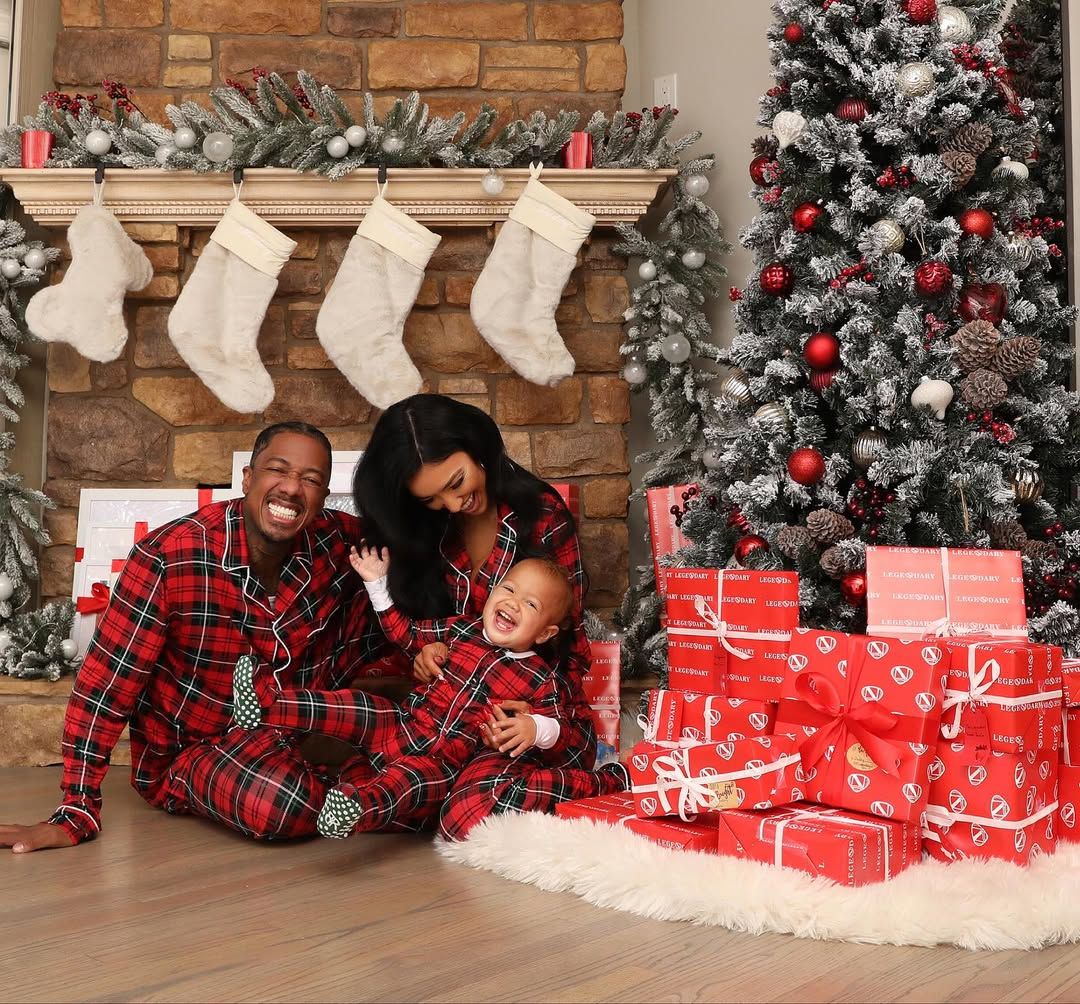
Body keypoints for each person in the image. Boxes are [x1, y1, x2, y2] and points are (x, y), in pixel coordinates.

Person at [0, 422, 399, 853]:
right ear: (248, 478)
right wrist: (77, 809)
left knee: (426, 737)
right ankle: (375, 795)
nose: (292, 488)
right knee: (279, 805)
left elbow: (416, 551)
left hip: (297, 729)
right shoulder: (169, 557)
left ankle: (365, 790)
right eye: (277, 470)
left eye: (312, 480)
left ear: (323, 496)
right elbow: (105, 687)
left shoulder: (341, 542)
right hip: (197, 749)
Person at [351, 394, 627, 839]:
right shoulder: (429, 530)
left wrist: (535, 718)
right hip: (449, 718)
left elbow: (569, 650)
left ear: (477, 446)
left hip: (521, 718)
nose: (453, 503)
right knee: (380, 783)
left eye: (456, 482)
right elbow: (422, 631)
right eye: (433, 498)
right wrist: (425, 656)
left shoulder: (542, 517)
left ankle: (603, 783)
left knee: (463, 811)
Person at [236, 547, 580, 838]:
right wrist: (376, 584)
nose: (514, 603)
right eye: (508, 589)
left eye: (531, 604)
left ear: (545, 633)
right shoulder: (460, 630)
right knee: (358, 707)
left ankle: (355, 808)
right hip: (403, 725)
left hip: (442, 763)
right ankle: (268, 703)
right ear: (491, 592)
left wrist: (536, 728)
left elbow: (561, 730)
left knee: (405, 780)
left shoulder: (538, 677)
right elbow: (406, 634)